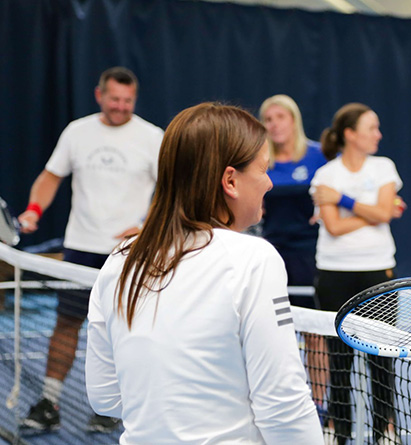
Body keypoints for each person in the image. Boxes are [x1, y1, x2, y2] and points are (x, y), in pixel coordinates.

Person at [85, 102, 324, 443]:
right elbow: (282, 403)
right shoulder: (254, 258)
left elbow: (105, 397)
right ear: (231, 180)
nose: (269, 183)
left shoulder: (120, 260)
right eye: (262, 170)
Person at [18, 67, 163, 433]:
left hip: (131, 253)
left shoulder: (152, 137)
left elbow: (170, 190)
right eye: (114, 99)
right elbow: (51, 176)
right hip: (80, 249)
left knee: (128, 331)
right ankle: (49, 402)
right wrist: (34, 211)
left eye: (128, 101)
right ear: (99, 95)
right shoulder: (77, 131)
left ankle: (115, 406)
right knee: (66, 323)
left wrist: (147, 226)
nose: (120, 106)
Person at [310, 103, 401, 445]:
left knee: (381, 360)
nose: (378, 134)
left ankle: (384, 433)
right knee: (339, 361)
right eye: (371, 128)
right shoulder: (325, 175)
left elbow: (381, 213)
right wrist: (379, 212)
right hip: (334, 274)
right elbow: (332, 226)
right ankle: (341, 431)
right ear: (350, 134)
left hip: (377, 273)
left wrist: (345, 199)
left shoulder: (384, 167)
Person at [258, 94, 329, 415]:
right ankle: (278, 403)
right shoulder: (258, 158)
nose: (274, 124)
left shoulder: (319, 156)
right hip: (270, 253)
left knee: (314, 333)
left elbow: (345, 186)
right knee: (273, 334)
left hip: (310, 255)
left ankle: (320, 405)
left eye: (280, 117)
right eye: (268, 119)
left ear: (293, 120)